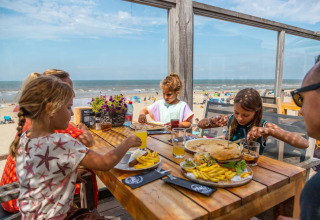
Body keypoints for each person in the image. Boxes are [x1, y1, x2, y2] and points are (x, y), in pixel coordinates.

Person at [10, 75, 141, 219]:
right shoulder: (61, 142)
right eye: (68, 107)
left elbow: (41, 172)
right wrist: (127, 142)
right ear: (50, 109)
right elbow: (104, 163)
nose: (72, 113)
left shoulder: (25, 138)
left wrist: (65, 173)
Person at [0, 69, 95, 213]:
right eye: (68, 88)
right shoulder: (52, 124)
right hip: (26, 201)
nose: (71, 93)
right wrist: (84, 129)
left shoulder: (34, 120)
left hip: (11, 193)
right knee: (87, 171)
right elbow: (88, 142)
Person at [197, 88, 308, 154]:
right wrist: (211, 121)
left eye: (245, 115)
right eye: (236, 112)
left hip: (251, 171)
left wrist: (269, 131)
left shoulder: (264, 126)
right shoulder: (231, 119)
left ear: (257, 111)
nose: (240, 118)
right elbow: (200, 124)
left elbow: (304, 143)